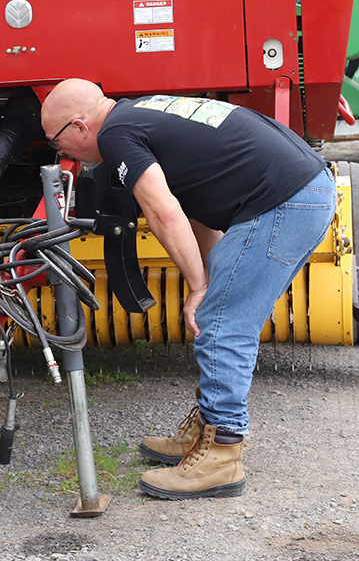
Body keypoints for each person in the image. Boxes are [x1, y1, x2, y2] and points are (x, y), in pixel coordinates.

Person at [40, 78, 336, 500]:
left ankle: (221, 456)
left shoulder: (115, 135)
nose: (64, 154)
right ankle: (208, 431)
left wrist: (199, 288)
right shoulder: (141, 113)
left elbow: (163, 212)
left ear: (80, 126)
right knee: (222, 310)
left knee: (221, 321)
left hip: (282, 200)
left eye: (59, 143)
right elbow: (193, 205)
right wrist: (212, 279)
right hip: (299, 190)